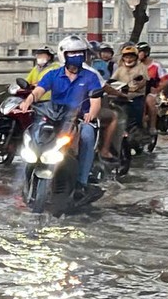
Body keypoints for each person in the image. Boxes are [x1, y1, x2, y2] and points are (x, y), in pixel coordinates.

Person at [20, 34, 106, 198]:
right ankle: (28, 178)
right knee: (34, 136)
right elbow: (39, 91)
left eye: (80, 53)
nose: (77, 57)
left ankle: (81, 182)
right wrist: (28, 101)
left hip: (79, 119)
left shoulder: (90, 76)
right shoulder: (53, 74)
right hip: (56, 117)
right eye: (72, 54)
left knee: (87, 135)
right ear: (63, 55)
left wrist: (90, 114)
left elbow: (96, 101)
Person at [102, 44, 152, 158]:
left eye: (131, 57)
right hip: (121, 97)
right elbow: (112, 81)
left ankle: (139, 138)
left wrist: (135, 87)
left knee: (135, 121)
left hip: (136, 97)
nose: (128, 59)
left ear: (136, 57)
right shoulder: (120, 69)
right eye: (126, 57)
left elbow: (143, 80)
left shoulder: (141, 67)